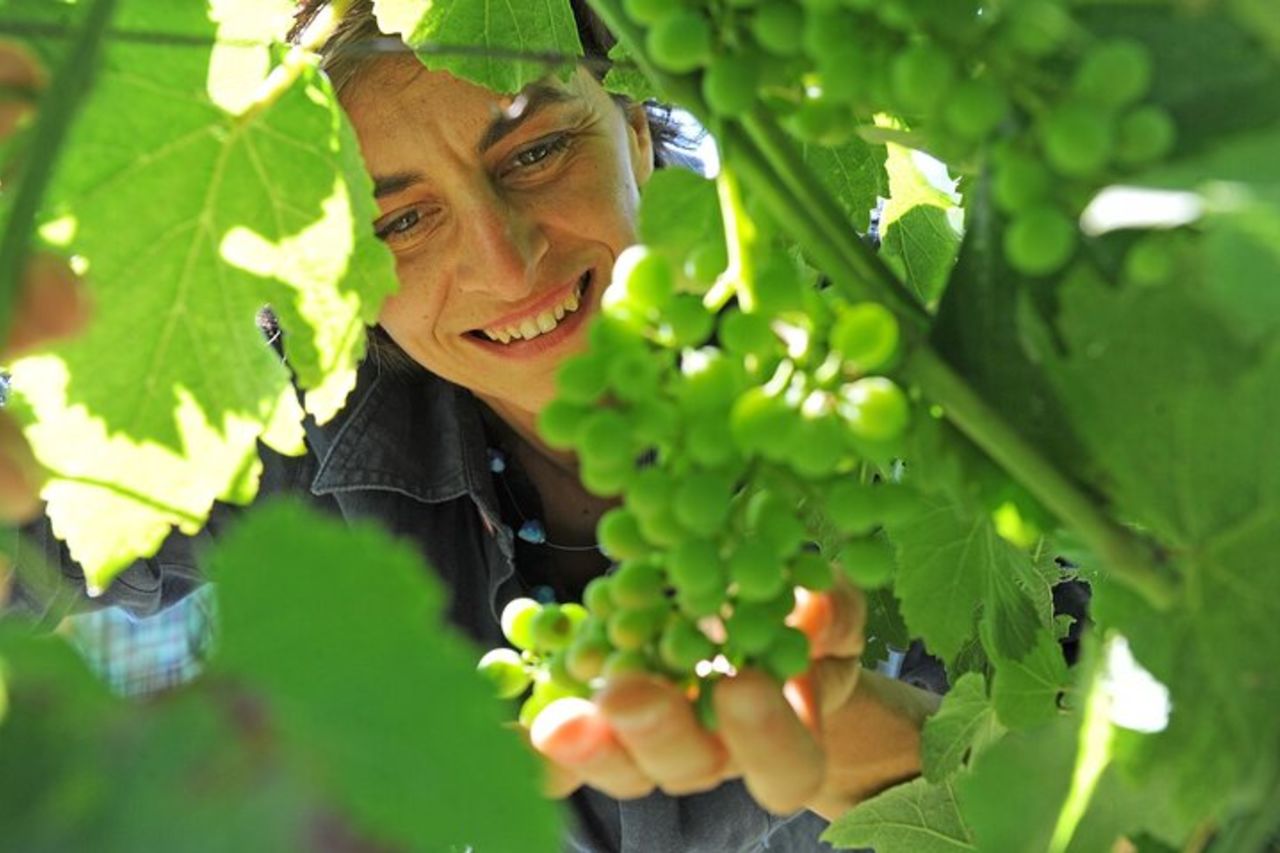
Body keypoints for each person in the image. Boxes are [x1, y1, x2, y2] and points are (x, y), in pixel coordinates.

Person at [8, 4, 944, 850]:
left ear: (635, 131)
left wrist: (887, 761)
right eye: (403, 221)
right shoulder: (296, 397)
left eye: (535, 152)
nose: (504, 263)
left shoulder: (900, 371)